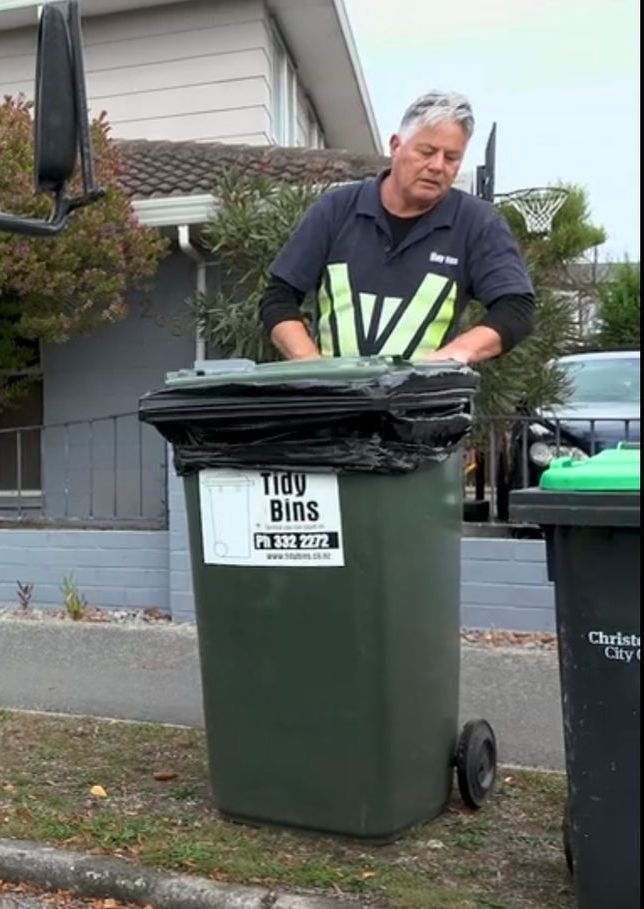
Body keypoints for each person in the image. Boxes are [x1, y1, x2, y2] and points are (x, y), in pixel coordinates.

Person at [259, 91, 535, 364]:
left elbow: (515, 309)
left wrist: (450, 358)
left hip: (426, 403)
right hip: (336, 403)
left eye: (451, 158)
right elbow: (278, 298)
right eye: (426, 152)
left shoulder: (477, 223)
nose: (437, 166)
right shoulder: (336, 209)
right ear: (395, 145)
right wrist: (313, 368)